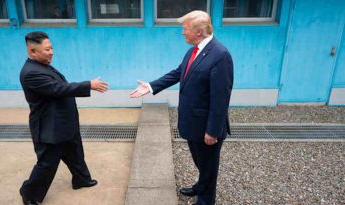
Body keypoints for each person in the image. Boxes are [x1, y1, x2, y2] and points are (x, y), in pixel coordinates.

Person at [130, 10, 233, 205]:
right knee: (201, 162)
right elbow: (178, 72)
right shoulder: (194, 49)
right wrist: (151, 86)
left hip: (206, 127)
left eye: (185, 29)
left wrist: (212, 130)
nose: (182, 33)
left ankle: (205, 200)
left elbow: (221, 98)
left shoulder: (220, 55)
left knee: (209, 166)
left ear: (199, 32)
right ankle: (200, 186)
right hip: (193, 122)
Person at [19, 31, 109, 205]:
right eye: (47, 49)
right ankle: (29, 193)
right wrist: (88, 85)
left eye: (51, 47)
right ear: (32, 52)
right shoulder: (31, 72)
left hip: (64, 121)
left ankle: (81, 179)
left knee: (75, 152)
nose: (51, 52)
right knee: (47, 164)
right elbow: (58, 89)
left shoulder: (43, 64)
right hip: (50, 127)